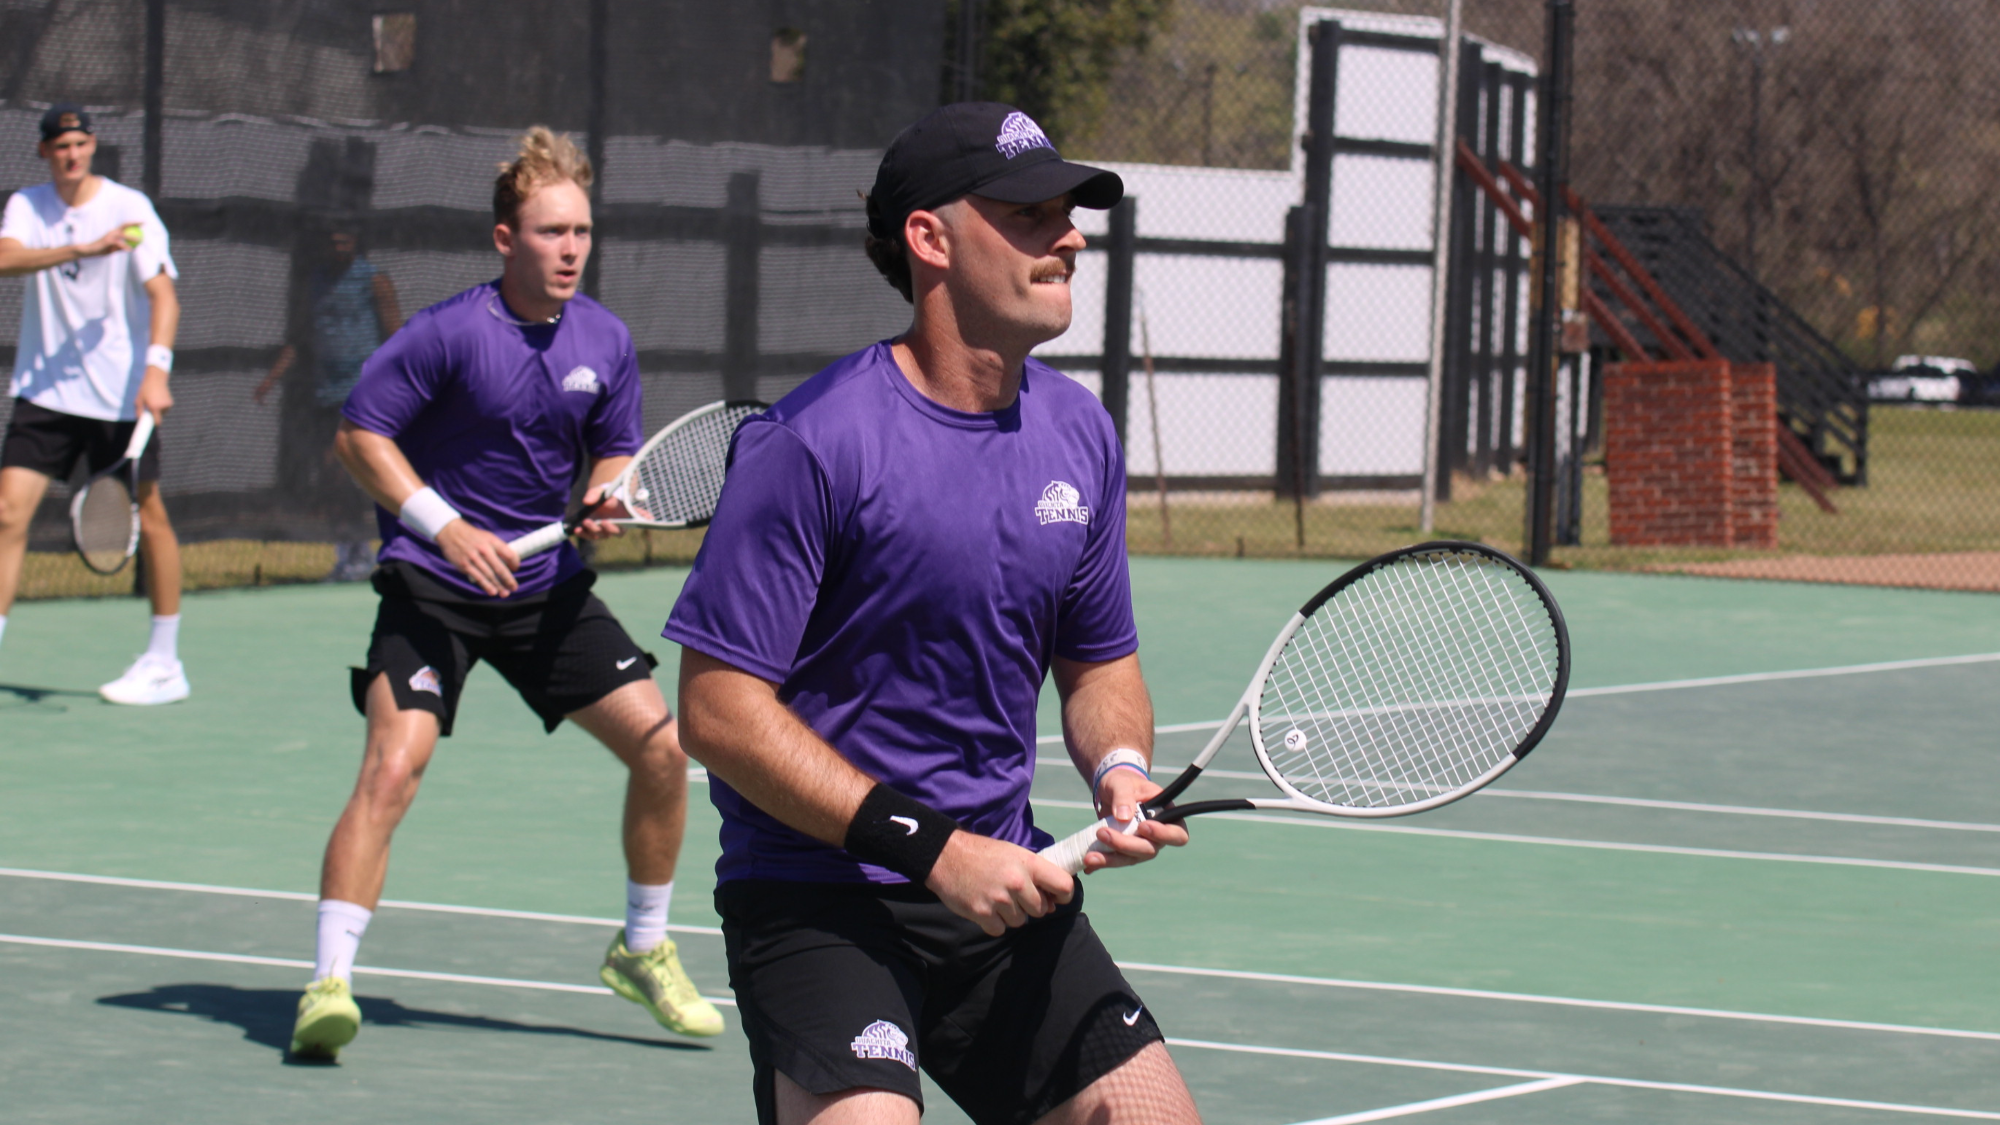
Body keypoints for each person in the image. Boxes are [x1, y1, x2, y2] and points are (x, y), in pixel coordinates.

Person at [667, 103, 1202, 1125]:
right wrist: (935, 849)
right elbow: (718, 711)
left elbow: (1096, 666)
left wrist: (1119, 766)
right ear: (930, 239)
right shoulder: (813, 443)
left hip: (1007, 887)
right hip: (821, 902)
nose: (1071, 236)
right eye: (1029, 214)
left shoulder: (1077, 434)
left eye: (1070, 213)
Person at [289, 127, 721, 1060]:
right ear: (504, 239)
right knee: (392, 766)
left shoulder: (605, 340)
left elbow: (614, 445)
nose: (570, 249)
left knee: (663, 747)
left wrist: (608, 491)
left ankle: (642, 948)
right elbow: (360, 438)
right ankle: (327, 982)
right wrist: (444, 525)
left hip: (542, 590)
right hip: (434, 586)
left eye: (581, 232)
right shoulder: (445, 333)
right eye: (550, 231)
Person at [0, 103, 187, 705]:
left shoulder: (130, 209)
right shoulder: (28, 206)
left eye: (81, 144)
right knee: (7, 514)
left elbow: (164, 295)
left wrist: (156, 372)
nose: (72, 154)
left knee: (152, 516)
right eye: (60, 146)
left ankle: (164, 662)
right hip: (45, 392)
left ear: (93, 146)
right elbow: (5, 258)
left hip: (119, 393)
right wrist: (83, 248)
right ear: (44, 153)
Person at [254, 225, 404, 581]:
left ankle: (388, 550)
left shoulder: (374, 280)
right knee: (333, 475)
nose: (339, 245)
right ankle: (349, 553)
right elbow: (300, 338)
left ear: (356, 242)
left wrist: (401, 384)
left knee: (354, 470)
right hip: (326, 394)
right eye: (332, 240)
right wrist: (271, 379)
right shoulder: (316, 282)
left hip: (365, 392)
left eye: (346, 240)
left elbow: (397, 334)